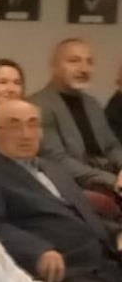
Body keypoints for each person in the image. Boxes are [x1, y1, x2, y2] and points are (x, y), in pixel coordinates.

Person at [0, 98, 122, 282]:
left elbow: (81, 214)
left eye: (33, 124)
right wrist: (38, 250)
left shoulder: (52, 167)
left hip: (103, 257)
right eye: (14, 125)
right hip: (64, 269)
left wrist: (116, 233)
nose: (26, 134)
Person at [36, 37, 122, 195]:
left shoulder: (92, 103)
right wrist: (112, 180)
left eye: (89, 62)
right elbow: (57, 160)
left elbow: (112, 146)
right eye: (74, 61)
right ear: (54, 66)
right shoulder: (39, 105)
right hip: (77, 187)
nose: (84, 69)